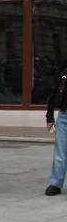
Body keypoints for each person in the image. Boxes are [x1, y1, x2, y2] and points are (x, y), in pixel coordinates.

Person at [46, 65, 67, 196]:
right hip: (65, 116)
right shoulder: (65, 73)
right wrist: (50, 117)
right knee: (60, 152)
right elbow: (54, 94)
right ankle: (55, 184)